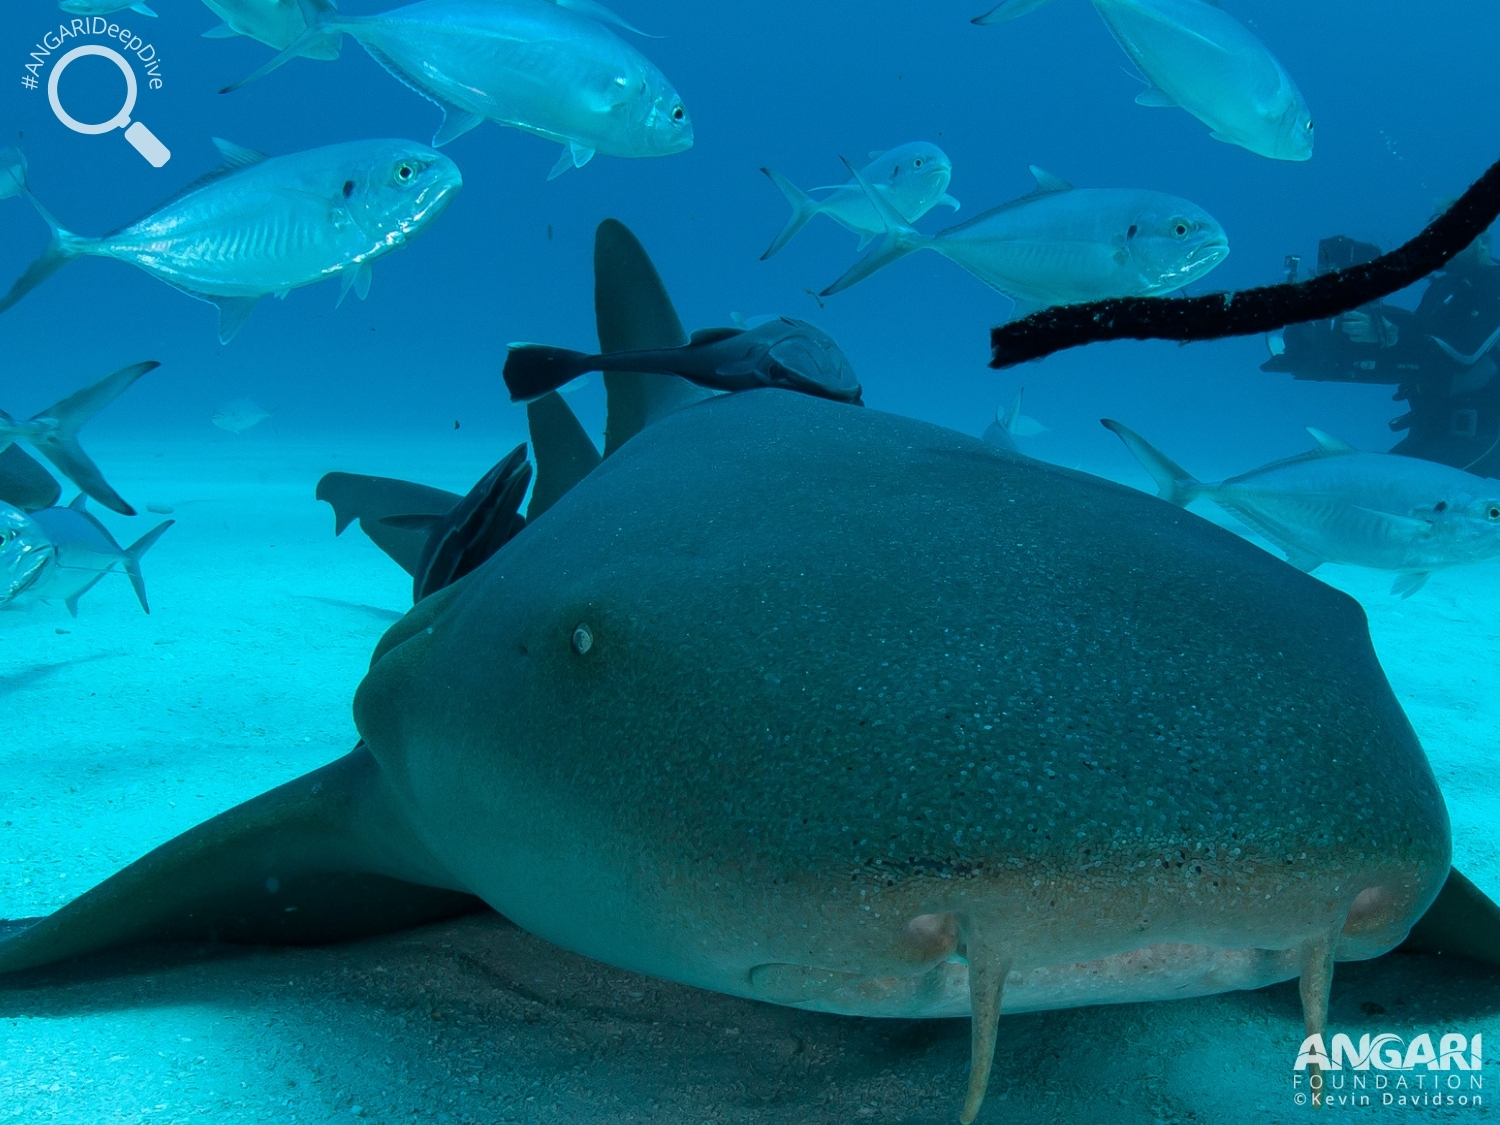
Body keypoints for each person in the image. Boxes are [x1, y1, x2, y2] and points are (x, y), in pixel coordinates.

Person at [1262, 212, 1500, 477]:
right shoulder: (1443, 288)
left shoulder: (1494, 286)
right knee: (1374, 491)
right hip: (1431, 428)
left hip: (1482, 435)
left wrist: (1389, 333)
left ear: (1482, 240)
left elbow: (1464, 355)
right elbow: (1417, 346)